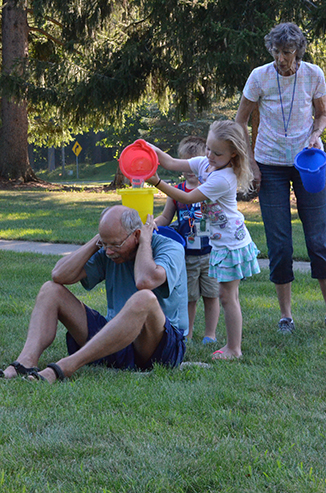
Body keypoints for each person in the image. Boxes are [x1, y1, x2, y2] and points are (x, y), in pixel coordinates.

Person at [0, 206, 188, 383]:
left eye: (115, 244)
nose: (109, 251)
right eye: (104, 244)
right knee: (50, 290)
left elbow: (145, 281)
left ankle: (66, 366)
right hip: (115, 341)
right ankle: (25, 362)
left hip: (159, 347)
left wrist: (145, 242)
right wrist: (97, 241)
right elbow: (59, 275)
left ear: (137, 235)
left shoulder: (170, 248)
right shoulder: (109, 252)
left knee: (144, 298)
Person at [235, 22, 326, 334]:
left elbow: (322, 113)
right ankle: (286, 316)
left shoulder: (314, 74)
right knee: (280, 243)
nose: (281, 58)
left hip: (308, 163)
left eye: (287, 52)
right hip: (269, 164)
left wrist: (316, 133)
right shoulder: (259, 76)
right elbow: (240, 122)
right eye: (276, 51)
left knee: (318, 240)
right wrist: (251, 164)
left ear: (297, 51)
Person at [147, 120, 261, 359]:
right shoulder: (205, 164)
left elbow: (187, 198)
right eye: (208, 148)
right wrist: (149, 149)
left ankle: (233, 349)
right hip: (222, 242)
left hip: (231, 243)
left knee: (227, 297)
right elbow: (169, 162)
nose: (209, 155)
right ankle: (233, 346)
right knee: (229, 296)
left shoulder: (224, 178)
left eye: (217, 152)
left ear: (233, 154)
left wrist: (158, 182)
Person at [155, 136, 220, 344]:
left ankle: (210, 334)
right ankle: (188, 333)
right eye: (186, 163)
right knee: (189, 298)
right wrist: (152, 225)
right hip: (187, 256)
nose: (190, 170)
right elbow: (166, 217)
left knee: (212, 295)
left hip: (211, 253)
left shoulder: (211, 187)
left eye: (195, 163)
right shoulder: (177, 192)